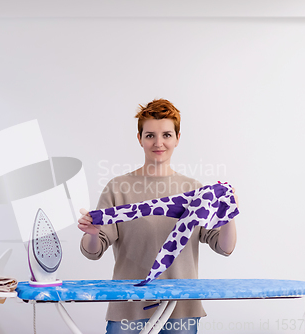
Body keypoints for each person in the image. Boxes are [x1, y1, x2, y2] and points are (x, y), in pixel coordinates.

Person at [78, 99, 238, 334]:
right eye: (150, 135)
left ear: (177, 138)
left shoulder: (194, 190)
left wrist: (229, 211)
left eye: (166, 135)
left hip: (181, 311)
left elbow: (225, 248)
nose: (159, 143)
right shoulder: (118, 188)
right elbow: (93, 251)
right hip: (129, 310)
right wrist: (92, 234)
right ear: (140, 138)